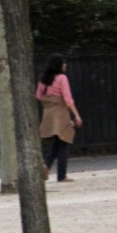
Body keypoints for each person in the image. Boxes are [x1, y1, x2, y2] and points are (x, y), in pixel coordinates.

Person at [36, 54, 84, 182]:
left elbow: (39, 96)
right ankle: (61, 175)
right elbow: (68, 99)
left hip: (48, 113)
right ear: (58, 65)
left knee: (58, 142)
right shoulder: (62, 78)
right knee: (65, 140)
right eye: (63, 63)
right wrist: (77, 115)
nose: (65, 65)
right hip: (60, 112)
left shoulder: (43, 79)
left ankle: (46, 165)